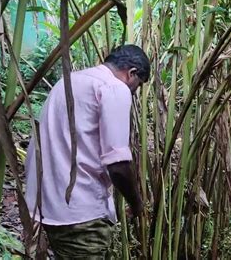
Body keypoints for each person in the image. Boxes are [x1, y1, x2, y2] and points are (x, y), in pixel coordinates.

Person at [24, 44, 150, 259]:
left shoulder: (67, 81)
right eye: (137, 87)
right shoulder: (114, 88)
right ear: (132, 73)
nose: (133, 93)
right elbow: (118, 164)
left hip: (51, 208)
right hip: (81, 215)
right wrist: (138, 205)